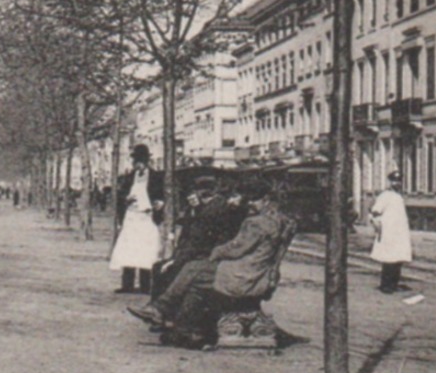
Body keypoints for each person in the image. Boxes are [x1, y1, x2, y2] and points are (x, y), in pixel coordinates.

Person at [129, 188, 298, 350]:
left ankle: (160, 310)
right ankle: (184, 328)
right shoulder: (279, 220)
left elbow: (237, 248)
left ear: (267, 200)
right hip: (256, 272)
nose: (250, 203)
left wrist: (216, 252)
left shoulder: (257, 223)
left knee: (193, 269)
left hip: (244, 274)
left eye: (254, 200)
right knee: (196, 282)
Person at [109, 144, 165, 294]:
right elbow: (120, 196)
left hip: (147, 218)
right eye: (135, 162)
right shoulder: (128, 178)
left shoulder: (156, 177)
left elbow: (163, 195)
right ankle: (127, 284)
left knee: (145, 251)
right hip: (132, 217)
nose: (137, 165)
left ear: (146, 161)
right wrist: (126, 199)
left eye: (140, 161)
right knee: (129, 250)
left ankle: (145, 285)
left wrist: (160, 204)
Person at [370, 170, 412, 293]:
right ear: (390, 182)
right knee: (389, 260)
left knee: (398, 259)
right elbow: (376, 211)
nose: (397, 183)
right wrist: (378, 225)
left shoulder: (400, 196)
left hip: (399, 233)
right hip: (389, 233)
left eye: (398, 181)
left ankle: (394, 284)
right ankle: (386, 285)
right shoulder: (385, 196)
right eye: (394, 181)